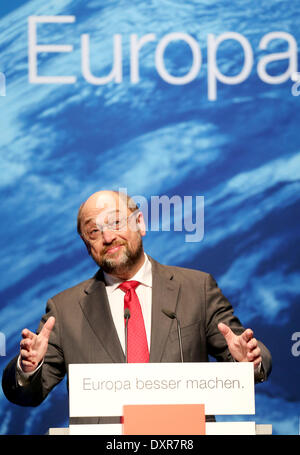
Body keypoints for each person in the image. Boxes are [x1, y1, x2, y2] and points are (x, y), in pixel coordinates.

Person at [2, 190, 272, 422]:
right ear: (87, 245)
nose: (107, 237)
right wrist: (28, 368)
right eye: (94, 231)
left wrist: (246, 361)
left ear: (140, 222)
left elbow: (250, 355)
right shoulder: (65, 309)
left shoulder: (196, 289)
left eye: (115, 222)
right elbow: (26, 394)